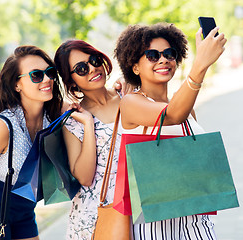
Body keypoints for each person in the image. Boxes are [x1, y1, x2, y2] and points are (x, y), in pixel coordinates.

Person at [114, 23, 226, 239]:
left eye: (169, 53)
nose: (163, 59)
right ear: (135, 67)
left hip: (195, 219)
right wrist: (200, 65)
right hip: (154, 223)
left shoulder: (185, 107)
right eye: (152, 55)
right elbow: (172, 116)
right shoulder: (131, 103)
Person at [0, 45, 63, 240]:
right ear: (17, 85)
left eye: (50, 72)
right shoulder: (2, 127)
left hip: (24, 210)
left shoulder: (52, 117)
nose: (47, 79)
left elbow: (89, 103)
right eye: (36, 75)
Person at [54, 39, 122, 240]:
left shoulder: (129, 96)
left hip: (138, 210)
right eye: (82, 68)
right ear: (71, 80)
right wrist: (88, 125)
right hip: (95, 219)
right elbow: (84, 177)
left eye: (94, 60)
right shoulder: (74, 120)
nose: (93, 68)